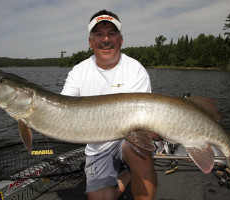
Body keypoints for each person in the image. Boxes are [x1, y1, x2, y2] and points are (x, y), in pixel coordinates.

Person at [61, 9, 157, 200]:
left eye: (111, 33)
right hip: (97, 146)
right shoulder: (78, 72)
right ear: (90, 42)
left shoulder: (135, 69)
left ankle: (134, 171)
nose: (105, 39)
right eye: (98, 34)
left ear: (120, 39)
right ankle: (125, 177)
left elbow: (141, 122)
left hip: (128, 137)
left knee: (141, 157)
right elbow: (63, 108)